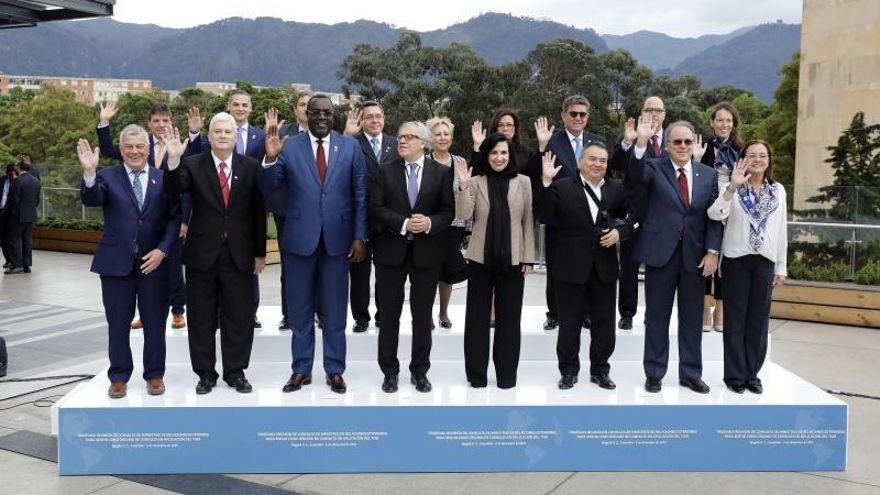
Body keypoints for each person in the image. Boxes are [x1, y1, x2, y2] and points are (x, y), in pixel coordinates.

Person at [262, 94, 368, 395]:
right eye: (316, 113)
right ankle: (301, 369)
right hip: (298, 240)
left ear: (332, 117)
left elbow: (360, 193)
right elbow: (269, 188)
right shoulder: (288, 145)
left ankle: (334, 370)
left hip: (338, 240)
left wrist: (360, 235)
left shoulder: (349, 146)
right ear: (306, 115)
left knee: (335, 310)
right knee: (300, 309)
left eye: (327, 113)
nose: (322, 117)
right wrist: (270, 159)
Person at [163, 112, 267, 395]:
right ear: (209, 137)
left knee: (239, 316)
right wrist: (172, 160)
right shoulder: (192, 164)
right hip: (201, 254)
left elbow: (259, 212)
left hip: (239, 254)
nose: (223, 135)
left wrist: (260, 252)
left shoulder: (251, 167)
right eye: (217, 131)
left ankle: (235, 372)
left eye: (228, 132)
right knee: (201, 317)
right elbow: (173, 190)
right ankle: (206, 373)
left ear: (236, 137)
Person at [76, 127, 181, 398]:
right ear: (121, 150)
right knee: (118, 323)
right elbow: (92, 198)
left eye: (140, 146)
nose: (135, 151)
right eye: (129, 147)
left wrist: (163, 251)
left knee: (155, 323)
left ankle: (154, 375)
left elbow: (174, 218)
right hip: (115, 265)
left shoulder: (162, 178)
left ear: (148, 148)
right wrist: (89, 173)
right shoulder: (106, 176)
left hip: (153, 265)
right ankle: (119, 376)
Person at [627, 118, 722, 394]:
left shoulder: (708, 174)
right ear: (667, 145)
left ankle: (690, 373)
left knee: (692, 318)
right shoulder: (653, 168)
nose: (682, 146)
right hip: (661, 255)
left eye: (687, 141)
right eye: (677, 141)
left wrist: (713, 251)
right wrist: (641, 142)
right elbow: (634, 179)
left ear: (694, 145)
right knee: (657, 317)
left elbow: (714, 217)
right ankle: (654, 372)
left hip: (695, 257)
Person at [539, 142, 633, 390]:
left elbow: (629, 219)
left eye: (602, 160)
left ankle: (600, 370)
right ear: (581, 162)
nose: (598, 164)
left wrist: (619, 232)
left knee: (605, 324)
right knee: (569, 324)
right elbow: (546, 216)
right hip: (570, 267)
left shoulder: (616, 189)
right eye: (592, 159)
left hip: (604, 267)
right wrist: (546, 183)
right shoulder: (561, 187)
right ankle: (568, 371)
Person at [370, 121, 454, 394]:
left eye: (409, 137)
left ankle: (420, 371)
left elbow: (447, 212)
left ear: (423, 143)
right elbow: (376, 208)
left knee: (422, 316)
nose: (401, 141)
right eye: (401, 136)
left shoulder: (441, 173)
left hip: (426, 254)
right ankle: (390, 372)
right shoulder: (384, 171)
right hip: (390, 254)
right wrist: (404, 223)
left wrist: (428, 224)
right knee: (389, 316)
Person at [97, 101, 189, 330]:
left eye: (165, 120)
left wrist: (185, 219)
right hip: (143, 224)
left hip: (171, 221)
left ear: (171, 122)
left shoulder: (178, 146)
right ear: (149, 123)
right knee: (141, 271)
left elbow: (186, 187)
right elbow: (109, 149)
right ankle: (145, 313)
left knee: (174, 267)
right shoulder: (138, 145)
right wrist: (104, 122)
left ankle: (178, 310)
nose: (161, 125)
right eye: (156, 121)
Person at [456, 132, 534, 389]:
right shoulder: (476, 181)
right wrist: (464, 186)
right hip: (480, 260)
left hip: (513, 261)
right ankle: (476, 377)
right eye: (494, 153)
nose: (499, 157)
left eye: (503, 153)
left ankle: (506, 377)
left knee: (509, 321)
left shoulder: (523, 182)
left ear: (510, 156)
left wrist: (528, 258)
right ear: (486, 156)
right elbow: (464, 214)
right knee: (476, 320)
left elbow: (528, 223)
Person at [708, 140, 787, 394]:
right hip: (736, 259)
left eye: (762, 155)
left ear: (769, 160)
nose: (757, 160)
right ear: (742, 159)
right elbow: (715, 214)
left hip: (764, 260)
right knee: (735, 318)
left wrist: (781, 266)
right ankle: (734, 374)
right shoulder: (730, 186)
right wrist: (732, 186)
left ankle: (752, 373)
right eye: (751, 155)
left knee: (758, 320)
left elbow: (781, 229)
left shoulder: (778, 190)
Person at [188, 90, 267, 328]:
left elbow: (258, 204)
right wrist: (193, 134)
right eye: (236, 104)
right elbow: (191, 169)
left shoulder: (261, 137)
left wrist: (260, 250)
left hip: (241, 227)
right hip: (210, 231)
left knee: (244, 282)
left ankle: (249, 313)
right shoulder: (211, 137)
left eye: (245, 105)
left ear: (250, 108)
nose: (241, 108)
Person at [531, 95, 605, 331]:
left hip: (589, 218)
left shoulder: (598, 141)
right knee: (555, 268)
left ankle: (585, 313)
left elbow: (606, 174)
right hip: (558, 217)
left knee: (588, 268)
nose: (578, 118)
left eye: (582, 114)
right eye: (573, 113)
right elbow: (538, 173)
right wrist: (542, 148)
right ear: (563, 115)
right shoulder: (550, 141)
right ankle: (554, 313)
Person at [609, 96, 667, 330]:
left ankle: (653, 314)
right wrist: (626, 142)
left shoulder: (673, 141)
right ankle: (626, 313)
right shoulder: (630, 136)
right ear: (642, 111)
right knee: (629, 266)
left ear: (664, 114)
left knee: (658, 268)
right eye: (648, 109)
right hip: (633, 213)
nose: (653, 113)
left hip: (662, 215)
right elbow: (618, 166)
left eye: (657, 110)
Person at [343, 100, 400, 332]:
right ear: (362, 121)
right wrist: (347, 134)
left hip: (388, 221)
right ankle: (361, 317)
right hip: (360, 220)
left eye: (378, 116)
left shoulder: (396, 144)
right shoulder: (351, 144)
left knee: (386, 273)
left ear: (384, 119)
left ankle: (382, 315)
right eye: (369, 117)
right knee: (359, 271)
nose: (374, 120)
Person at [695, 102, 744, 333]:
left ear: (733, 124)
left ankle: (721, 308)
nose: (724, 125)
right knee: (706, 254)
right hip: (707, 204)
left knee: (725, 259)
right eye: (720, 120)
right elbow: (695, 177)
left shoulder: (741, 149)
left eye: (728, 121)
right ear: (712, 123)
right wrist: (696, 160)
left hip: (732, 206)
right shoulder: (702, 146)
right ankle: (705, 306)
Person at [272, 90, 311, 330]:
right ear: (295, 109)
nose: (307, 109)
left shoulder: (327, 134)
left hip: (316, 210)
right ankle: (289, 313)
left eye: (310, 105)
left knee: (317, 263)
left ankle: (317, 312)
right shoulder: (281, 135)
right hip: (287, 210)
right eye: (302, 105)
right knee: (289, 264)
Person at [426, 116, 468, 329]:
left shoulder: (461, 162)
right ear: (430, 138)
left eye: (446, 134)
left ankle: (443, 313)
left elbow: (468, 195)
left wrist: (468, 228)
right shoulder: (424, 162)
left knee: (448, 272)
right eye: (438, 134)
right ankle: (427, 314)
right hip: (431, 226)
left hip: (454, 226)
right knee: (429, 270)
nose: (442, 138)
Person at [471, 109, 536, 177]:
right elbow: (474, 177)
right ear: (495, 128)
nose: (505, 128)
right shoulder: (486, 150)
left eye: (509, 125)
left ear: (515, 128)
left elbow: (535, 179)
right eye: (501, 125)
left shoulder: (527, 153)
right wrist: (478, 146)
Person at [3, 161, 40, 275]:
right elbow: (37, 199)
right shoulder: (36, 181)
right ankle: (26, 265)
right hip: (30, 215)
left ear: (19, 168)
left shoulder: (18, 180)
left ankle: (17, 265)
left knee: (13, 240)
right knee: (27, 240)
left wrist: (8, 211)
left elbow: (13, 199)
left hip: (17, 215)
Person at [0, 165, 13, 269]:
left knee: (11, 238)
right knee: (3, 238)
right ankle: (8, 260)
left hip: (11, 213)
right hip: (1, 211)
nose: (11, 176)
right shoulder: (2, 180)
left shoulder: (17, 181)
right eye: (9, 174)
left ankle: (14, 259)